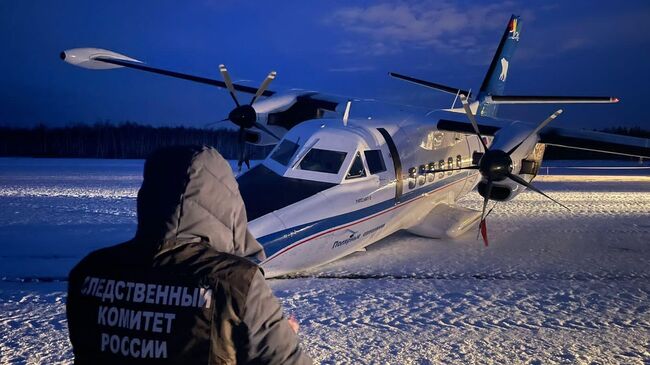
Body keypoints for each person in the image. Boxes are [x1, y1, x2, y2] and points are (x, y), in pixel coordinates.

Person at [66, 145, 312, 364]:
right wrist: (273, 337)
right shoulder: (238, 282)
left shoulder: (89, 272)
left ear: (148, 196)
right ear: (227, 202)